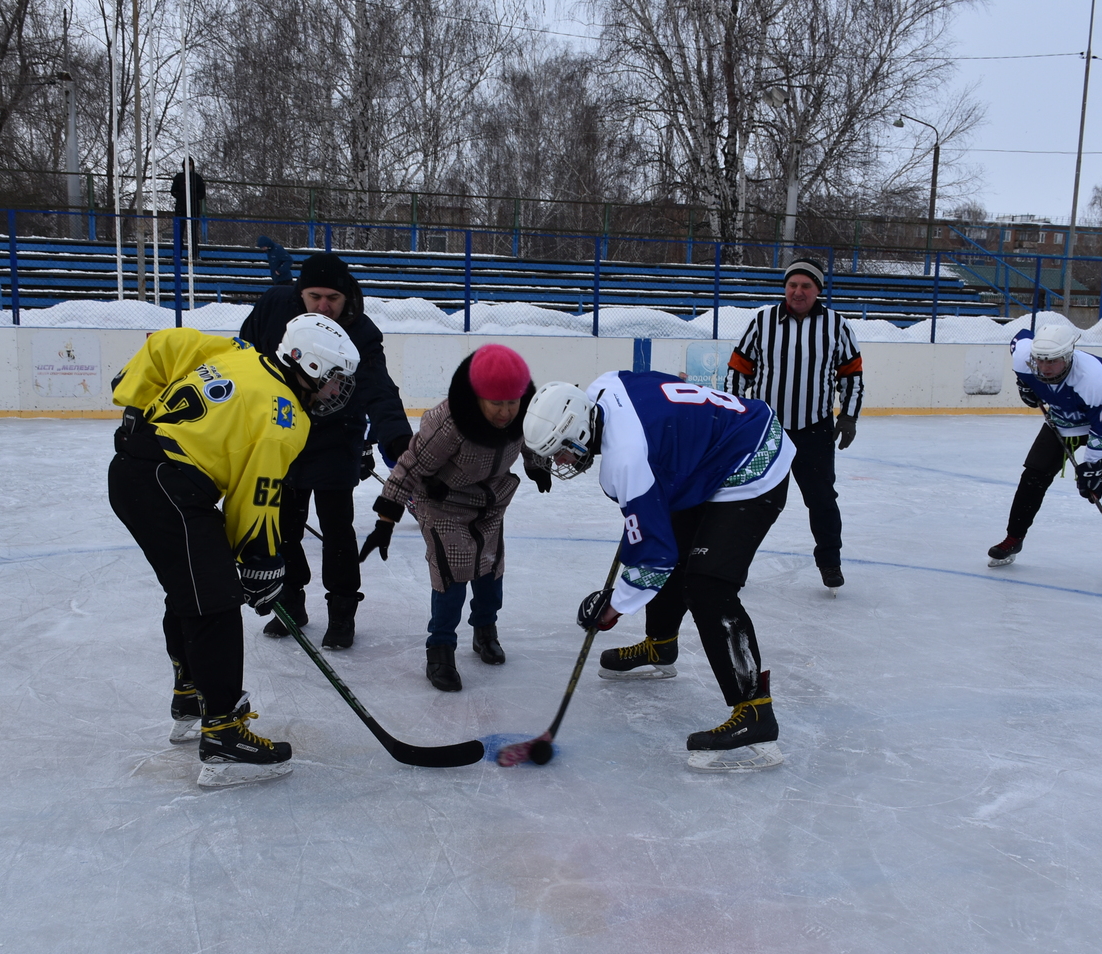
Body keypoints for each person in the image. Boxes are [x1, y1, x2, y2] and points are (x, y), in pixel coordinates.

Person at [107, 316, 361, 786]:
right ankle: (223, 733)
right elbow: (256, 497)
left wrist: (134, 400)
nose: (335, 393)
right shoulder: (284, 415)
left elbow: (168, 343)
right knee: (214, 601)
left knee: (193, 588)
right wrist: (262, 562)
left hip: (139, 473)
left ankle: (191, 691)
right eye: (333, 381)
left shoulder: (242, 352)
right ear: (307, 366)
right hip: (166, 484)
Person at [524, 372, 796, 771]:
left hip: (751, 462)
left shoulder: (626, 459)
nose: (560, 462)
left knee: (707, 586)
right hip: (716, 448)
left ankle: (754, 711)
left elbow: (655, 558)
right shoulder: (604, 386)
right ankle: (661, 644)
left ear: (581, 430)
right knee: (671, 536)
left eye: (561, 451)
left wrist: (614, 605)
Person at [239, 251, 413, 650]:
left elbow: (380, 391)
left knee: (337, 531)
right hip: (281, 435)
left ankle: (342, 612)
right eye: (314, 296)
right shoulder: (273, 308)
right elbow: (242, 356)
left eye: (332, 298)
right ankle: (291, 601)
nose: (323, 306)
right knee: (284, 528)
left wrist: (399, 441)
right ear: (299, 292)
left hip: (337, 438)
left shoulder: (362, 332)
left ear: (346, 296)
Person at [360, 344, 542, 691]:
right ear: (477, 397)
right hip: (444, 505)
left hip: (491, 502)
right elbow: (410, 464)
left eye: (511, 403)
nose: (505, 413)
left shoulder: (524, 413)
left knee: (490, 572)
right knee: (452, 578)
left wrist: (535, 466)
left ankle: (485, 630)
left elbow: (531, 437)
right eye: (496, 404)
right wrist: (386, 517)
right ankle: (440, 649)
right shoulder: (450, 423)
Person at [724, 258, 864, 589]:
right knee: (754, 501)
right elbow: (738, 369)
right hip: (768, 432)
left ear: (818, 290)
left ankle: (830, 562)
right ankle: (732, 565)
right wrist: (736, 413)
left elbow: (851, 374)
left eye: (806, 286)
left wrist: (848, 415)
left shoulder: (837, 325)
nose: (797, 292)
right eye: (792, 285)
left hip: (815, 431)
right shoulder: (763, 321)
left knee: (822, 501)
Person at [987, 324, 1102, 584]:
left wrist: (1092, 466)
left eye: (1052, 361)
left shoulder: (1094, 379)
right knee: (1033, 475)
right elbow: (1019, 336)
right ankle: (1013, 538)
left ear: (1069, 356)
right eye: (1040, 360)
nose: (1044, 367)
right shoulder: (1024, 357)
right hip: (1064, 420)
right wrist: (1023, 384)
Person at [169, 159, 206, 252]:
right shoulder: (179, 177)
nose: (188, 166)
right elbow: (173, 191)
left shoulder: (197, 178)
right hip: (181, 208)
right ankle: (178, 253)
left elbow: (202, 194)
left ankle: (194, 253)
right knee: (179, 232)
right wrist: (182, 196)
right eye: (186, 164)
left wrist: (192, 196)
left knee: (193, 232)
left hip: (193, 208)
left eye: (190, 164)